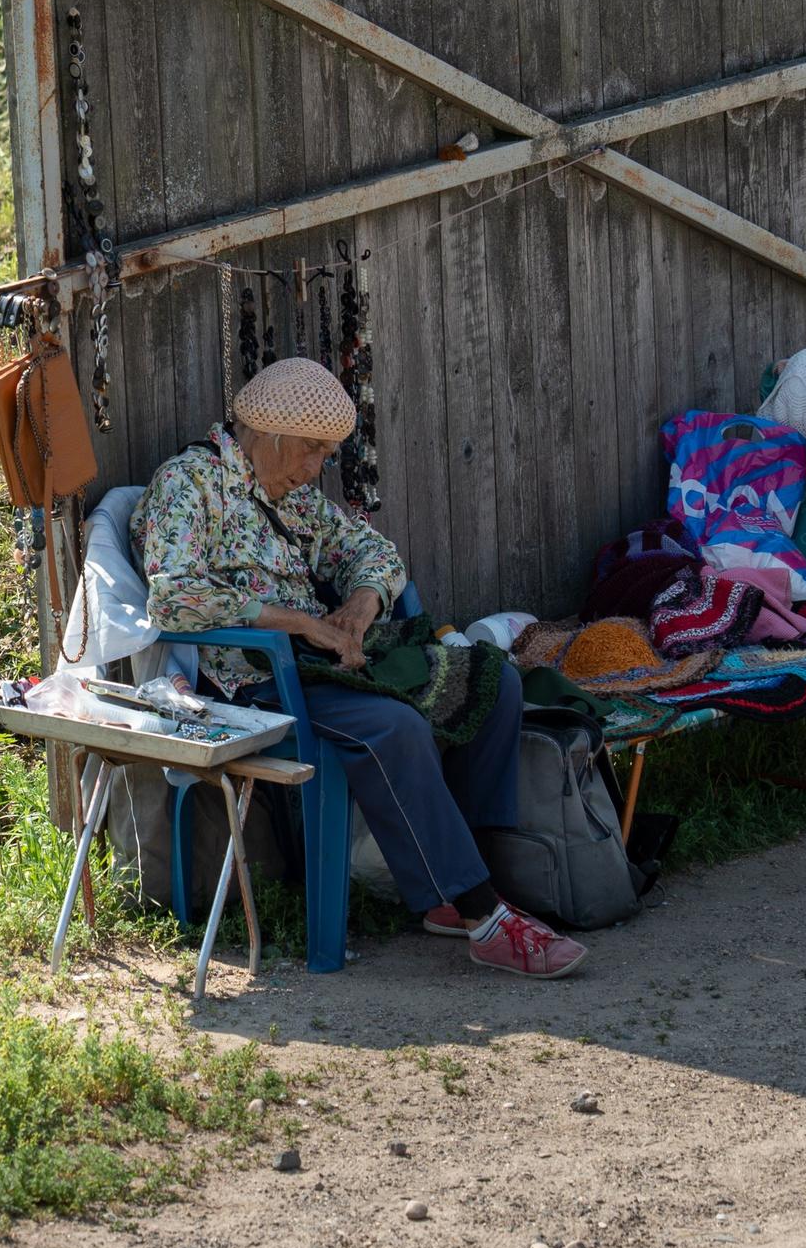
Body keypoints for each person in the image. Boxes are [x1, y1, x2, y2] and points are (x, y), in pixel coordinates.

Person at [133, 357, 586, 979]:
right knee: (392, 725)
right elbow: (172, 594)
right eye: (313, 451)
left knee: (493, 682)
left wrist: (362, 600)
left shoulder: (293, 498)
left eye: (326, 454)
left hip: (321, 663)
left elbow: (372, 548)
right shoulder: (189, 486)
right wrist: (297, 622)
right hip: (256, 678)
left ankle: (465, 885)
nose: (318, 469)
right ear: (269, 436)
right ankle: (484, 916)